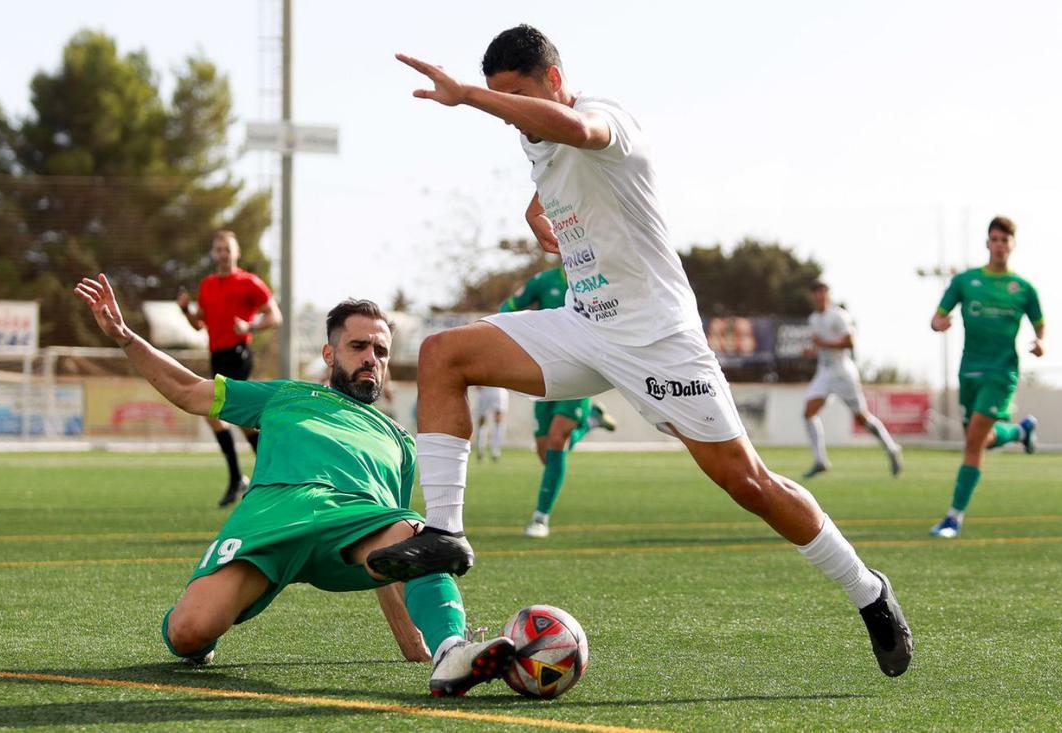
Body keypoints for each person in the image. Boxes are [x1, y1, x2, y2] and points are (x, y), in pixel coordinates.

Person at [369, 25, 912, 677]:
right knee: (442, 354)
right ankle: (445, 531)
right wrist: (537, 209)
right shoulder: (535, 134)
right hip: (584, 324)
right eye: (498, 98)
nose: (508, 112)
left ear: (555, 82)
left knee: (749, 483)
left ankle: (868, 591)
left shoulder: (606, 117)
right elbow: (561, 165)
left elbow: (587, 138)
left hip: (657, 338)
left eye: (515, 95)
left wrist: (468, 98)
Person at [75, 275, 515, 697]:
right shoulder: (286, 395)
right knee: (188, 632)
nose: (371, 358)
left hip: (351, 525)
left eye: (381, 350)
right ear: (329, 353)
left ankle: (452, 652)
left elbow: (396, 557)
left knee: (424, 537)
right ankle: (200, 632)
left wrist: (414, 640)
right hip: (271, 518)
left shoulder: (400, 441)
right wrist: (125, 336)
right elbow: (190, 391)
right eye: (358, 346)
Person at [929, 216, 1043, 538]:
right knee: (978, 440)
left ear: (1012, 245)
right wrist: (938, 324)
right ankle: (1021, 432)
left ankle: (953, 517)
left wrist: (1041, 342)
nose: (999, 245)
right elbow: (937, 317)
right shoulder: (965, 281)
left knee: (975, 439)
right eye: (994, 239)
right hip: (970, 371)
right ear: (987, 243)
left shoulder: (1023, 289)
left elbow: (1040, 323)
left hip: (1002, 371)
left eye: (1005, 240)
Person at [499, 266, 617, 538]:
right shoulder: (545, 280)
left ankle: (540, 518)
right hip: (544, 371)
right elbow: (510, 306)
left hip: (583, 370)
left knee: (556, 440)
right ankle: (588, 422)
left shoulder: (599, 280)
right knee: (546, 453)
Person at [178, 231, 282, 507]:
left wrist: (250, 326)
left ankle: (243, 477)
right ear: (213, 254)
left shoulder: (249, 282)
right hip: (216, 355)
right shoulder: (208, 284)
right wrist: (186, 310)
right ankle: (271, 473)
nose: (223, 253)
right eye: (218, 249)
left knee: (217, 408)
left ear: (236, 253)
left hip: (239, 353)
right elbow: (198, 325)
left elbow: (275, 316)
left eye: (227, 249)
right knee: (234, 417)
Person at [801, 281, 903, 478]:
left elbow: (850, 342)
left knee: (862, 418)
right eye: (816, 293)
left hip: (843, 373)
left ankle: (891, 448)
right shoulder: (813, 319)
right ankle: (820, 460)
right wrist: (811, 350)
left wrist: (823, 344)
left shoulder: (838, 316)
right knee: (808, 412)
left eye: (822, 292)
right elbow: (819, 345)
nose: (819, 296)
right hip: (824, 372)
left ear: (828, 295)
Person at [471, 386, 509, 462]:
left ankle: (495, 452)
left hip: (499, 388)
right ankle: (480, 450)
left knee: (499, 419)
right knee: (482, 420)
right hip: (485, 387)